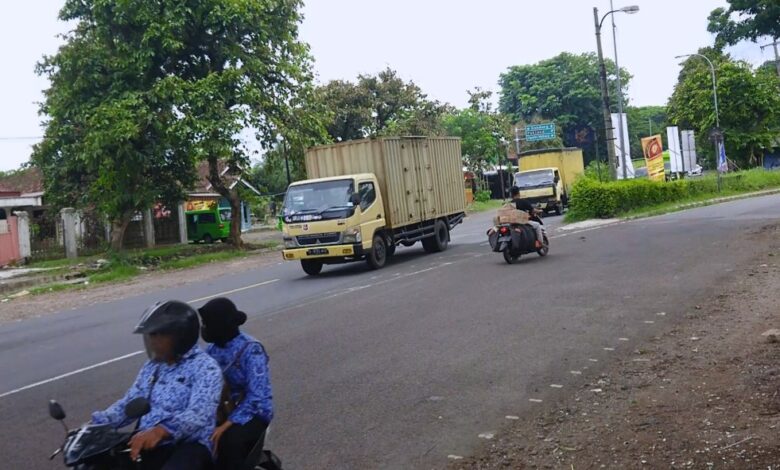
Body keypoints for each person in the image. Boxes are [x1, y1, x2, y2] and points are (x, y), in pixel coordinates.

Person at [91, 300, 222, 470]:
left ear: (180, 336)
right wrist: (97, 424)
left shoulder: (205, 367)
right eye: (150, 336)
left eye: (157, 335)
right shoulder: (152, 367)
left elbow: (198, 413)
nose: (152, 342)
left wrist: (161, 431)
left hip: (188, 444)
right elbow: (131, 401)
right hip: (147, 440)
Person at [199, 297, 274, 470]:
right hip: (222, 410)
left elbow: (258, 396)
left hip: (253, 412)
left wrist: (226, 425)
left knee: (227, 443)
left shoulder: (251, 350)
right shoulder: (212, 350)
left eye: (207, 323)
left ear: (220, 324)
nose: (204, 328)